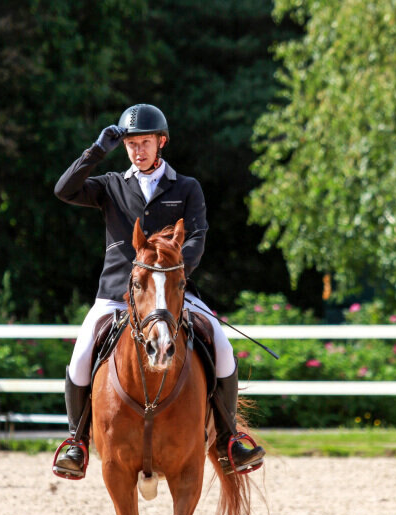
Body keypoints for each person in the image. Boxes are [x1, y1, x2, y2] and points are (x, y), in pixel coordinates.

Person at [52, 103, 265, 478]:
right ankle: (76, 441)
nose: (138, 150)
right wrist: (96, 151)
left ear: (161, 142)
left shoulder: (186, 188)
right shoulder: (111, 186)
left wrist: (175, 271)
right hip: (117, 293)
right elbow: (63, 189)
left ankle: (230, 439)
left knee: (221, 344)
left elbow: (197, 236)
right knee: (83, 352)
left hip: (173, 291)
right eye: (131, 144)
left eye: (145, 142)